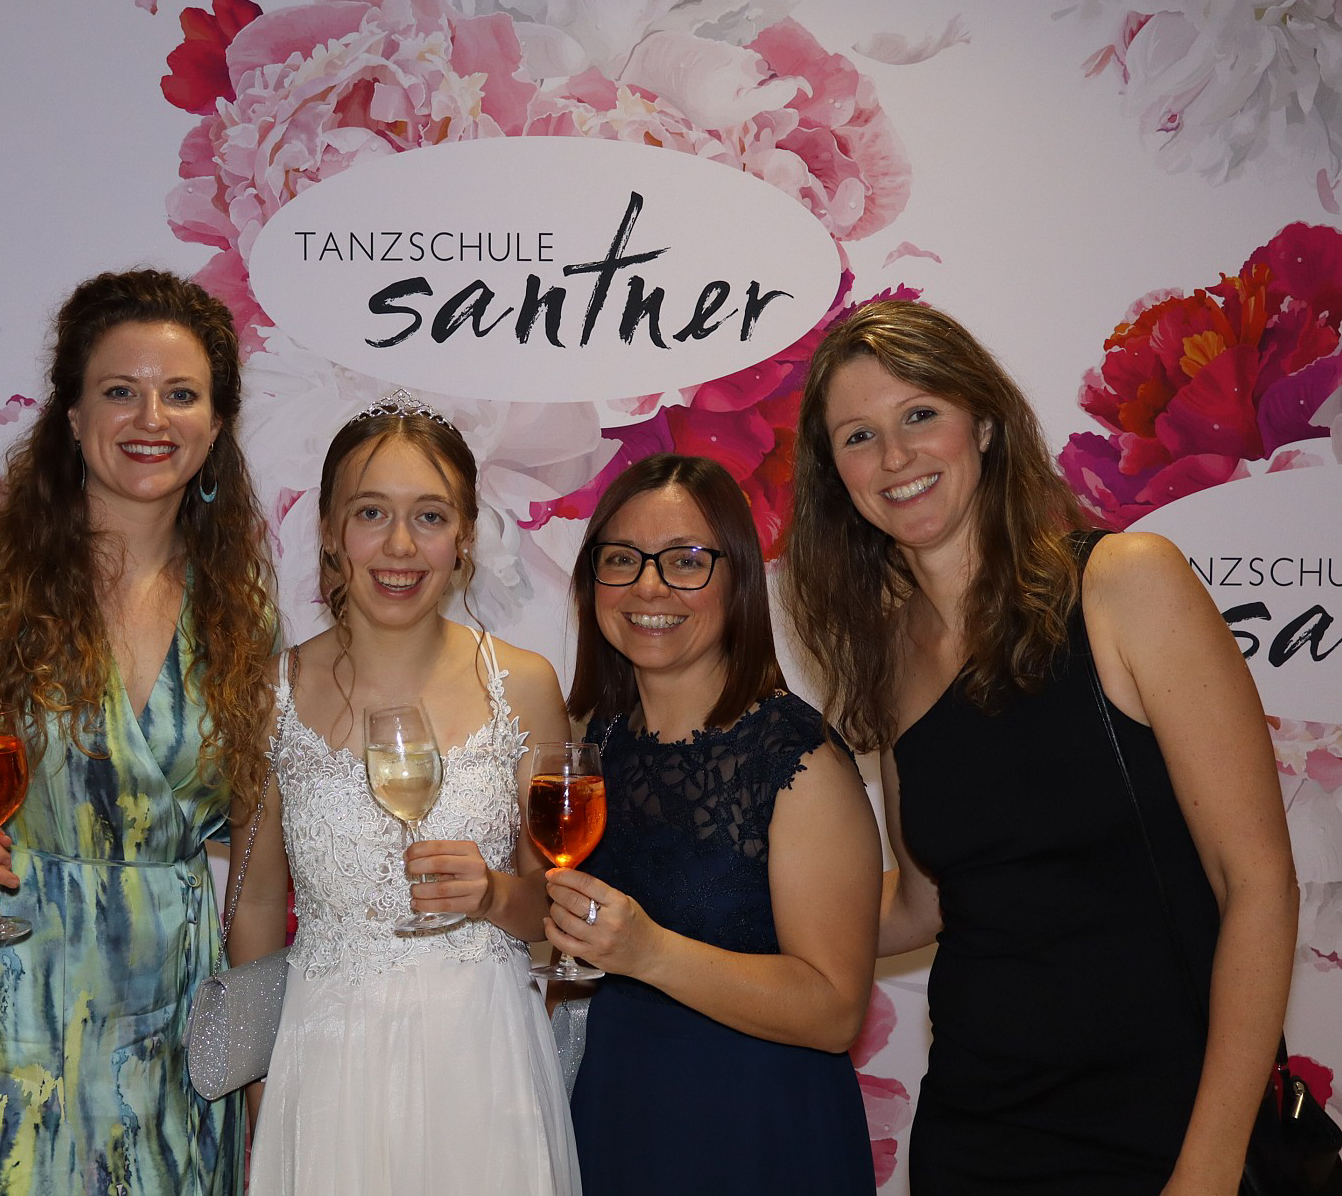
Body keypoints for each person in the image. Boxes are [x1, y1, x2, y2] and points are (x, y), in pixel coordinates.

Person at [782, 298, 1297, 1194]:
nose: (895, 457)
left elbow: (1257, 883)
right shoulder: (890, 659)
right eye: (858, 437)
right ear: (837, 475)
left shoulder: (1125, 584)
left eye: (919, 414)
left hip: (1164, 1131)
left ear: (983, 425)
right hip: (978, 1135)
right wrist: (719, 901)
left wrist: (1210, 1168)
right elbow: (927, 901)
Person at [0, 269, 277, 1195]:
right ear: (71, 414)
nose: (150, 418)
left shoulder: (241, 612)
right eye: (119, 390)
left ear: (217, 423)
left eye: (181, 394)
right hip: (9, 1000)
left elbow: (252, 826)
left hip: (176, 1029)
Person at [225, 388, 581, 1196]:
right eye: (370, 513)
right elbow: (255, 903)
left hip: (483, 1060)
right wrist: (261, 1082)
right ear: (328, 531)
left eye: (429, 516)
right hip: (325, 1061)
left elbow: (553, 907)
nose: (399, 545)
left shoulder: (524, 684)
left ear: (465, 537)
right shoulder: (268, 694)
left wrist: (492, 895)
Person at [543, 452, 881, 1196]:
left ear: (739, 580)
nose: (649, 586)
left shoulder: (798, 759)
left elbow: (834, 1009)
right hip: (615, 1113)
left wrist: (650, 952)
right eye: (622, 559)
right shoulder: (596, 744)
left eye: (687, 561)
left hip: (754, 1132)